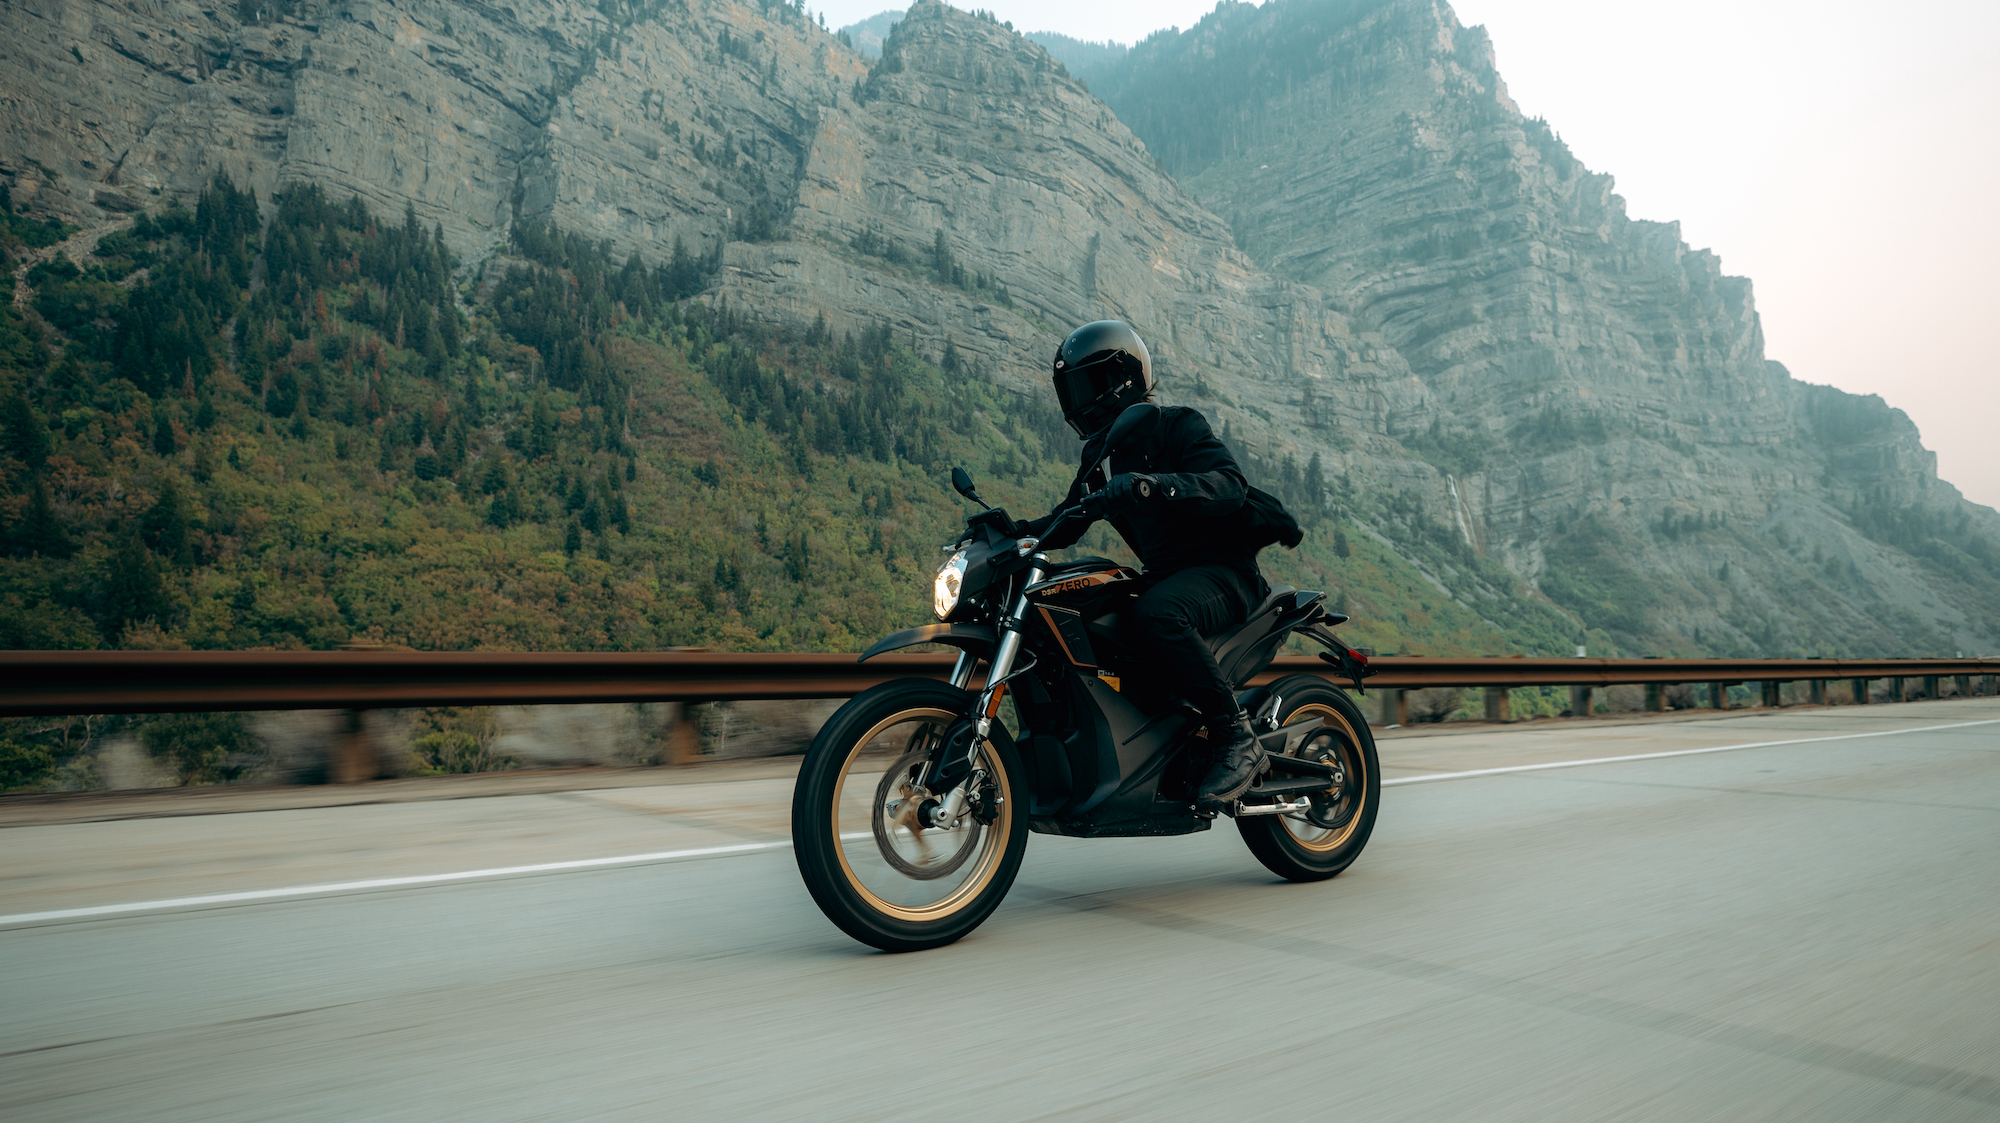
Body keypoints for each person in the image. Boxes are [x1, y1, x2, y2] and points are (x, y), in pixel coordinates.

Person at [1022, 320, 1293, 805]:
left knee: (1156, 613)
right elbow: (1069, 519)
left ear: (1119, 382)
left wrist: (1156, 484)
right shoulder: (1102, 455)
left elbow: (1229, 484)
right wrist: (1013, 532)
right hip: (1168, 578)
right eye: (1072, 390)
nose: (1079, 401)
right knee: (1098, 615)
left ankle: (1236, 736)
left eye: (1087, 386)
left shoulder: (1178, 425)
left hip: (1224, 575)